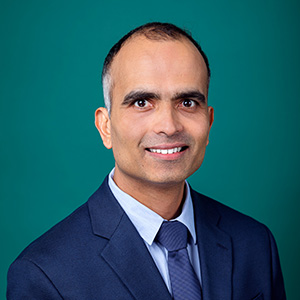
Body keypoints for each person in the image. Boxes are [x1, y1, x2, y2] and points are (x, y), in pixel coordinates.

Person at [7, 22, 286, 300]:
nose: (168, 126)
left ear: (209, 122)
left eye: (187, 102)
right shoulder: (43, 274)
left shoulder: (255, 243)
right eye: (142, 102)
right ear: (105, 127)